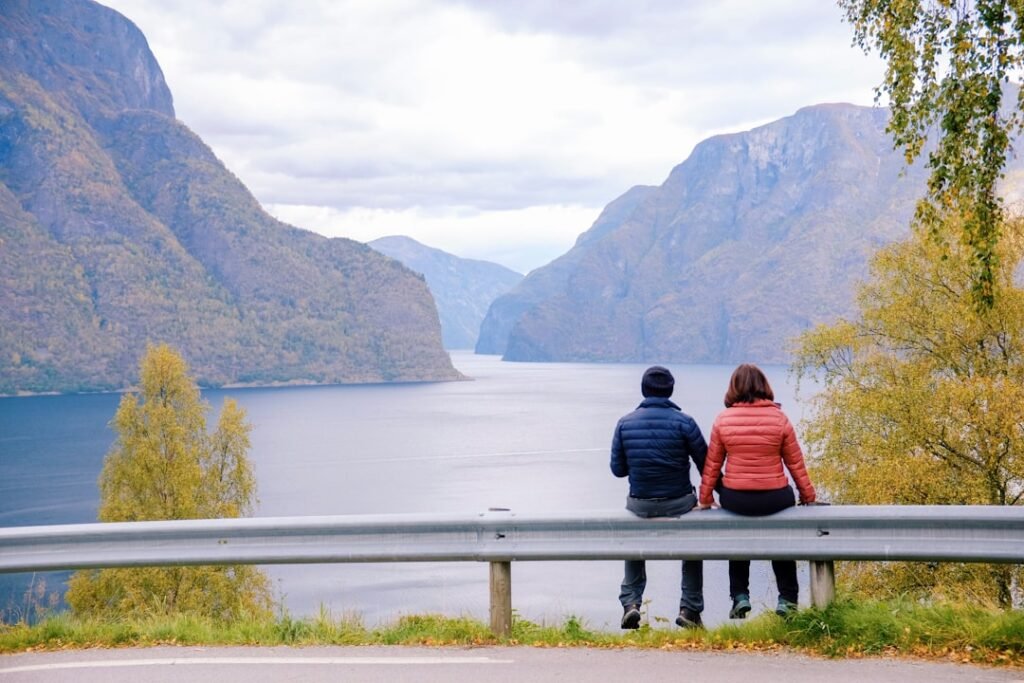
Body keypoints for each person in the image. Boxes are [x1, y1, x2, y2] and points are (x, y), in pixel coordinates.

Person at [697, 363, 816, 619]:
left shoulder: (723, 420)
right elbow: (795, 463)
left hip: (736, 498)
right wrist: (808, 496)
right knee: (782, 543)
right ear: (764, 386)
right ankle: (787, 600)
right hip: (775, 498)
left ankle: (739, 596)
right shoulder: (779, 419)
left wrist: (705, 499)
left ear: (733, 388)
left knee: (737, 540)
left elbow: (712, 466)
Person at [610, 365, 708, 630]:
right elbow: (706, 465)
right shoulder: (685, 422)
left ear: (644, 390)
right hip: (680, 502)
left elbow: (618, 470)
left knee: (634, 544)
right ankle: (689, 608)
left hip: (640, 502)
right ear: (670, 390)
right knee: (692, 548)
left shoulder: (625, 423)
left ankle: (631, 604)